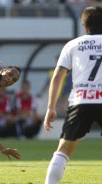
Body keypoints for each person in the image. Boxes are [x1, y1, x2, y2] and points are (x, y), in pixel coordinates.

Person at [44, 6, 102, 184]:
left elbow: (58, 76)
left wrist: (51, 107)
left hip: (81, 100)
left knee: (63, 149)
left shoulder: (73, 44)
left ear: (84, 24)